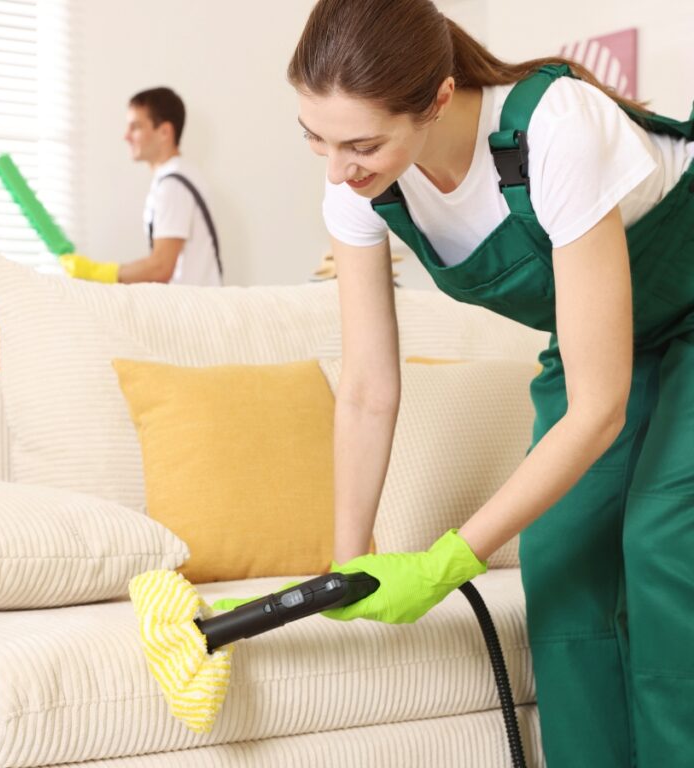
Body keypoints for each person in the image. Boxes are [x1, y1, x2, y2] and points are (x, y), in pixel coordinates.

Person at [224, 0, 692, 765]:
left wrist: (448, 564)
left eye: (362, 143)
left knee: (665, 544)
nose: (338, 169)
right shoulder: (357, 190)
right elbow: (370, 385)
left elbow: (598, 407)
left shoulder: (553, 129)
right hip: (606, 341)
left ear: (438, 99)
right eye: (315, 137)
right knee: (561, 554)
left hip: (681, 317)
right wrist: (349, 563)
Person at [59, 87, 222, 285]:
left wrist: (98, 273)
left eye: (135, 127)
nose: (126, 136)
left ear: (164, 132)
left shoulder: (173, 185)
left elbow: (161, 267)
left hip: (193, 311)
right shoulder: (180, 177)